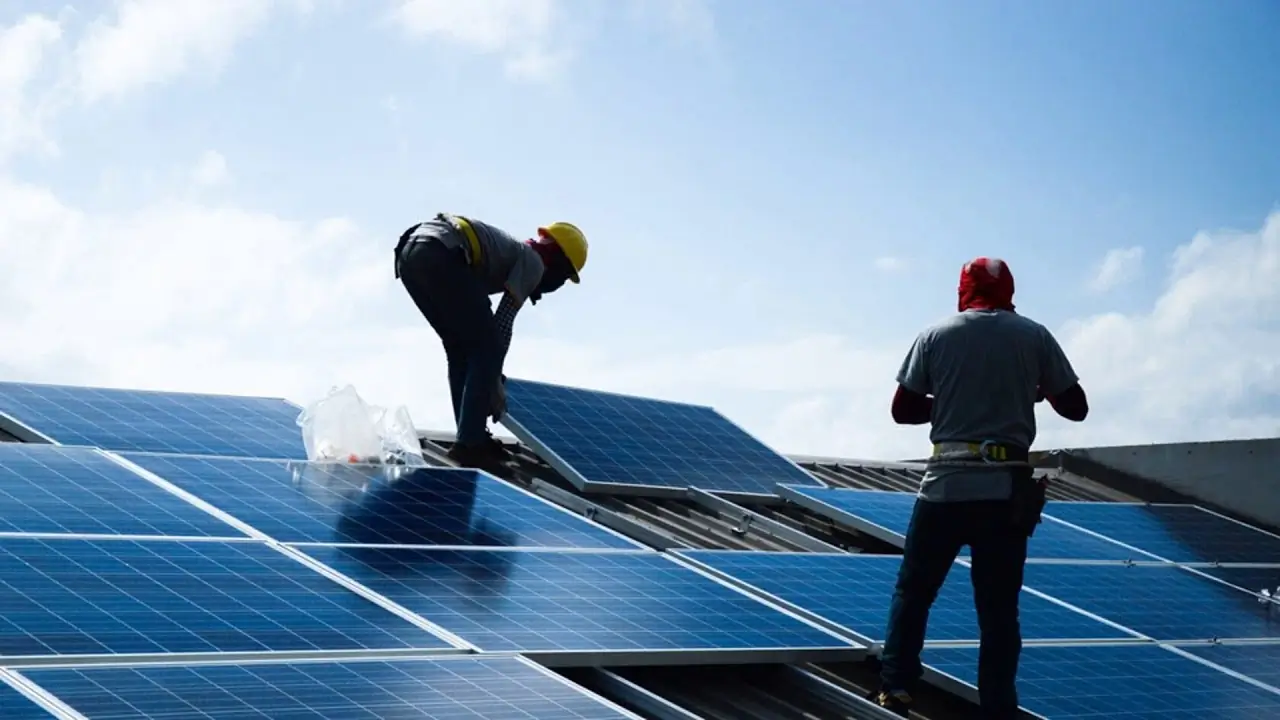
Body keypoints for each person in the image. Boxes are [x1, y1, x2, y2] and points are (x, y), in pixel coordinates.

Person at [867, 257, 1089, 719]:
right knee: (998, 611)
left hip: (944, 488)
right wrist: (1027, 390)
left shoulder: (935, 335)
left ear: (962, 291)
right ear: (1010, 292)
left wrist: (952, 401)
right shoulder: (1034, 336)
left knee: (914, 592)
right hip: (1004, 494)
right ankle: (998, 708)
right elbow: (1076, 407)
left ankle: (897, 685)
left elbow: (903, 410)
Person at [394, 212, 587, 472]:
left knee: (460, 350)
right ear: (558, 262)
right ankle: (471, 443)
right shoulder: (534, 262)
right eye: (563, 277)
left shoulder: (511, 254)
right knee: (487, 348)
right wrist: (493, 380)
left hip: (411, 254)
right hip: (441, 252)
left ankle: (469, 436)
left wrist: (488, 374)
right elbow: (502, 323)